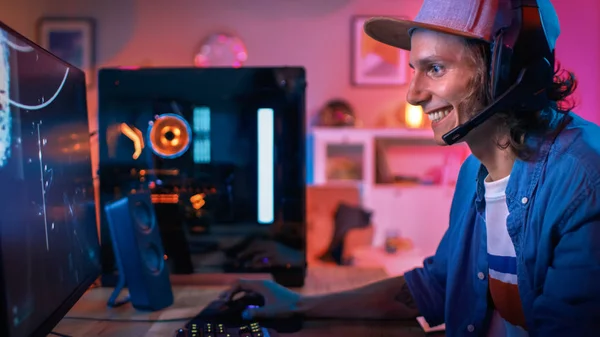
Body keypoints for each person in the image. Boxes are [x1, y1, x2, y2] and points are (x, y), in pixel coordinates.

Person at [220, 0, 600, 335]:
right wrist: (296, 304)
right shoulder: (474, 174)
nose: (413, 94)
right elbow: (436, 287)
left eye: (435, 68)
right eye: (415, 70)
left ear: (510, 70)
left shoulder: (584, 181)